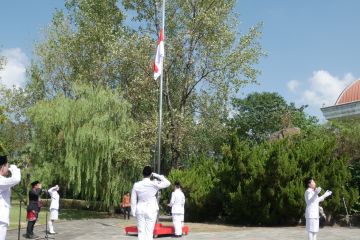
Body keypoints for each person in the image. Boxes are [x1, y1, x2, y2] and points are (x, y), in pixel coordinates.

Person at [131, 166, 170, 240]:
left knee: (141, 232)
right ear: (151, 174)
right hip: (151, 209)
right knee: (149, 232)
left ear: (142, 174)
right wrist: (157, 175)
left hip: (140, 209)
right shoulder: (154, 184)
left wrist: (133, 211)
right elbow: (168, 183)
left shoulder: (136, 184)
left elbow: (133, 199)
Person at [0, 155, 21, 240]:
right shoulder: (0, 180)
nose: (8, 168)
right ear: (2, 167)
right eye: (7, 166)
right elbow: (16, 179)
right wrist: (14, 168)